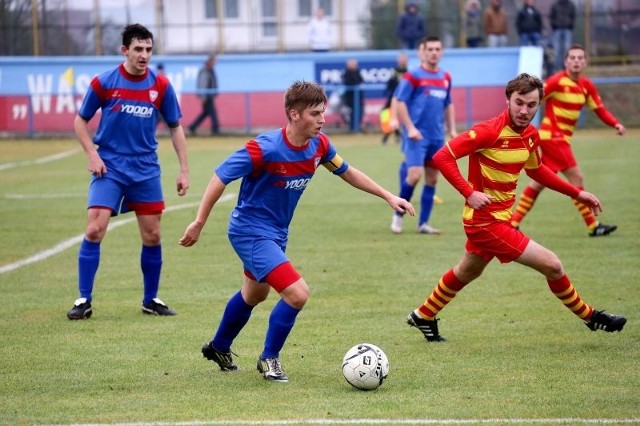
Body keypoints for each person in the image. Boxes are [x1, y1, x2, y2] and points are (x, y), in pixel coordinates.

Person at [179, 81, 414, 382]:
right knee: (297, 294)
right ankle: (269, 359)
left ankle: (219, 347)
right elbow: (219, 177)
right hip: (250, 231)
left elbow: (348, 172)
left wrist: (388, 196)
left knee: (254, 294)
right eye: (315, 114)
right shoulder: (264, 147)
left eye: (323, 112)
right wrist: (199, 222)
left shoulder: (321, 146)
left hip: (276, 233)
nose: (323, 119)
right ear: (294, 114)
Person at [406, 73, 627, 343]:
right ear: (508, 100)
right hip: (485, 222)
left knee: (468, 271)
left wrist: (577, 193)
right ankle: (591, 317)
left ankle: (423, 315)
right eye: (519, 103)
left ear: (539, 104)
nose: (524, 111)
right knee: (553, 265)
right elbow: (443, 156)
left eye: (531, 105)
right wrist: (469, 192)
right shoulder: (488, 131)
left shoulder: (531, 136)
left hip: (499, 219)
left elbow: (537, 171)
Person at [66, 23, 190, 320]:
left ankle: (151, 299)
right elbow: (80, 121)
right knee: (95, 228)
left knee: (152, 235)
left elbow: (176, 127)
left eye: (148, 49)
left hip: (145, 169)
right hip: (110, 166)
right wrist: (92, 154)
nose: (144, 54)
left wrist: (184, 170)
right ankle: (83, 299)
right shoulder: (105, 82)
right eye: (138, 49)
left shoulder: (160, 86)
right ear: (125, 50)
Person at [510, 45, 626, 236]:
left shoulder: (586, 86)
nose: (576, 61)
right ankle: (593, 226)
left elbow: (599, 109)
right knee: (576, 178)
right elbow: (534, 98)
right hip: (553, 138)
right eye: (572, 58)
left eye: (580, 58)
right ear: (566, 62)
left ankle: (513, 223)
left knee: (539, 183)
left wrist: (615, 123)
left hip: (559, 139)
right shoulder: (557, 81)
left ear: (586, 62)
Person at [390, 36, 457, 235]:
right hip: (417, 136)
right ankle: (398, 215)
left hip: (436, 136)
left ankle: (423, 224)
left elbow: (448, 104)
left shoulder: (446, 77)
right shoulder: (413, 76)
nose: (434, 52)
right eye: (430, 49)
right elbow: (400, 101)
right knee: (414, 175)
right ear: (423, 52)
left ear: (442, 52)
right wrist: (409, 127)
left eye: (438, 49)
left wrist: (452, 128)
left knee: (433, 178)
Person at [188, 54, 219, 136]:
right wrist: (203, 96)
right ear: (210, 62)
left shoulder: (210, 70)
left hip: (209, 94)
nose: (215, 63)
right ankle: (216, 128)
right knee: (212, 112)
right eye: (214, 61)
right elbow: (203, 84)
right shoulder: (205, 71)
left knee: (205, 113)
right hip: (207, 95)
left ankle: (192, 126)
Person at [380, 53, 408, 145]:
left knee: (405, 117)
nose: (402, 60)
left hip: (406, 98)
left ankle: (401, 136)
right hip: (394, 98)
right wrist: (389, 93)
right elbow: (390, 84)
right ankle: (387, 136)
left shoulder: (410, 71)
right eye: (401, 59)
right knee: (387, 115)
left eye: (404, 59)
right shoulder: (395, 71)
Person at [550, 0, 576, 73]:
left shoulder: (571, 5)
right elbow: (552, 16)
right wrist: (554, 25)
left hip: (567, 29)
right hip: (557, 29)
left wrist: (570, 25)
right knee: (557, 50)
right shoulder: (555, 5)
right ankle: (557, 69)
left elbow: (573, 16)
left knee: (567, 49)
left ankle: (567, 68)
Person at [341, 58, 364, 132]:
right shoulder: (346, 73)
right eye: (351, 64)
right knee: (351, 113)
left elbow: (361, 81)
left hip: (358, 98)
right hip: (350, 98)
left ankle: (357, 127)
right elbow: (348, 83)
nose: (353, 65)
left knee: (360, 111)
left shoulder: (358, 72)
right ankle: (352, 128)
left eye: (354, 64)